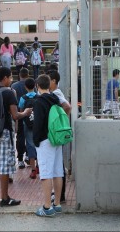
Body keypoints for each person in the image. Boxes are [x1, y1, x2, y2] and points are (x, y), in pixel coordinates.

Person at [0, 67, 32, 207]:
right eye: (10, 78)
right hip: (5, 131)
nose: (11, 80)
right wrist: (25, 113)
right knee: (5, 165)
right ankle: (5, 198)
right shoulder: (9, 93)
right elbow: (15, 115)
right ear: (5, 78)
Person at [33, 74, 63, 217]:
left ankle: (47, 207)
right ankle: (56, 204)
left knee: (45, 173)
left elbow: (38, 123)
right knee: (57, 172)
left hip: (45, 140)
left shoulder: (39, 101)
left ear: (38, 86)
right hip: (56, 138)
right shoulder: (55, 99)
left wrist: (35, 140)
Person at [47, 70, 72, 203]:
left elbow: (68, 106)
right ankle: (58, 194)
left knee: (58, 166)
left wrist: (62, 122)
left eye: (49, 80)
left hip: (57, 134)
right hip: (56, 134)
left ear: (54, 81)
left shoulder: (56, 93)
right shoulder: (54, 93)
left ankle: (60, 195)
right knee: (58, 165)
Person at [18, 78, 38, 179]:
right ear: (35, 85)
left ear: (25, 87)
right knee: (39, 144)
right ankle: (39, 166)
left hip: (27, 124)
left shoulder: (23, 98)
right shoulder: (39, 97)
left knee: (30, 144)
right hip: (38, 124)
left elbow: (21, 111)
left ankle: (33, 169)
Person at [11, 68, 29, 169]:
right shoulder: (31, 84)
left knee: (20, 137)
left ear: (19, 75)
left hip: (17, 113)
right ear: (28, 74)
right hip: (29, 114)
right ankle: (28, 155)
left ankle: (20, 159)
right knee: (29, 136)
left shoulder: (14, 86)